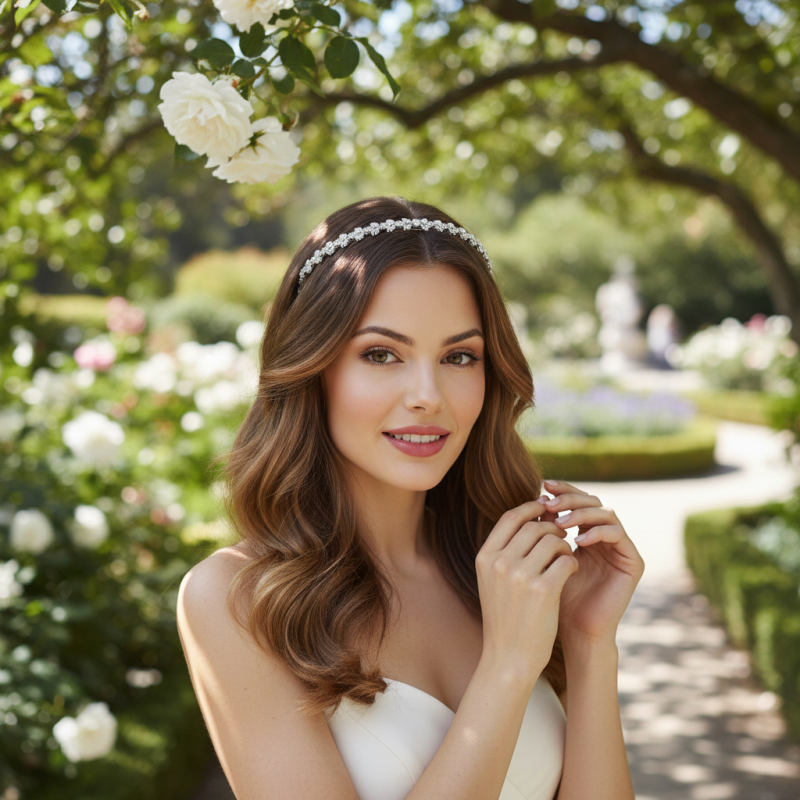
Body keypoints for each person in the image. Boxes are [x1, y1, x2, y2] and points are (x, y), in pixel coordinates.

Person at [177, 196, 645, 800]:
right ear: (312, 368)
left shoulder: (503, 574)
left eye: (459, 356)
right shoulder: (237, 599)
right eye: (381, 354)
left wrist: (586, 643)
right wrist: (505, 668)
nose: (428, 394)